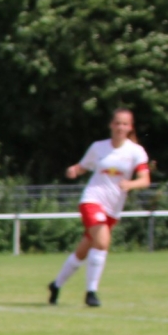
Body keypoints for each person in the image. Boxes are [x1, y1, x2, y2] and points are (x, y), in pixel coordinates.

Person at [49, 107, 149, 308]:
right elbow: (83, 166)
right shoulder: (98, 147)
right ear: (111, 125)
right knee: (102, 242)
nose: (120, 127)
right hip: (92, 200)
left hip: (113, 209)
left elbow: (144, 180)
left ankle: (56, 285)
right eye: (117, 123)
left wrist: (130, 184)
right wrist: (74, 170)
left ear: (130, 127)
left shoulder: (136, 151)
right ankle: (91, 293)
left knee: (83, 251)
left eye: (125, 124)